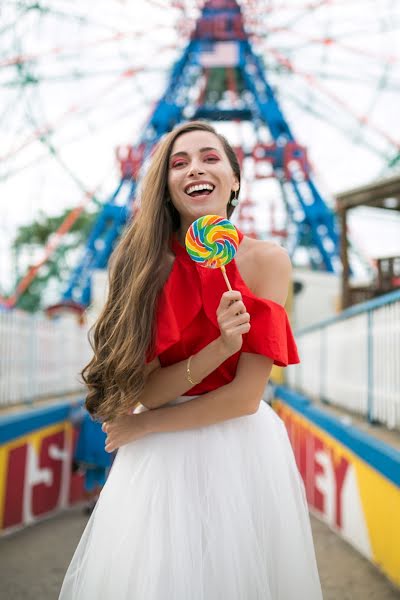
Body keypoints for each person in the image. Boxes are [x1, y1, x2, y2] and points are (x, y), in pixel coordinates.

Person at [59, 121, 323, 599]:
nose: (194, 169)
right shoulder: (140, 265)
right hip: (160, 457)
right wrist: (219, 348)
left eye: (209, 157)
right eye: (178, 163)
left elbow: (245, 398)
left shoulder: (267, 260)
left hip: (240, 450)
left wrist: (144, 425)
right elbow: (142, 392)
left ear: (234, 179)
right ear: (166, 187)